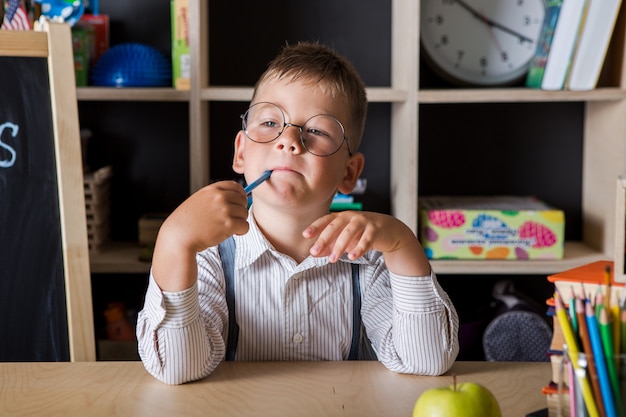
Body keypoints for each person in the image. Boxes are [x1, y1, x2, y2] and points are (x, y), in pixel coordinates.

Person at [136, 41, 459, 385]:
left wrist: (402, 243)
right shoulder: (206, 256)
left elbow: (426, 361)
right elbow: (177, 369)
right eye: (271, 122)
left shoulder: (373, 260)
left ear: (349, 173)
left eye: (317, 131)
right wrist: (173, 241)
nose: (289, 140)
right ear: (241, 152)